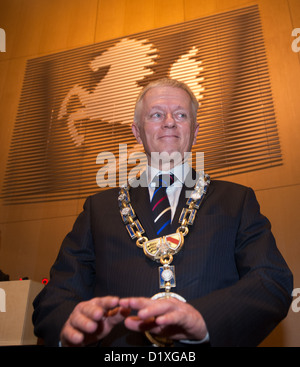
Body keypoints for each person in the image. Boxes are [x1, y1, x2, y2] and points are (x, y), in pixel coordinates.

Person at [32, 78, 293, 347]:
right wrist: (72, 323)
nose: (169, 121)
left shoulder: (236, 200)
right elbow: (54, 299)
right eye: (156, 114)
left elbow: (271, 281)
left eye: (180, 115)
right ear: (137, 131)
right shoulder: (98, 209)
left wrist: (205, 320)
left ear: (194, 131)